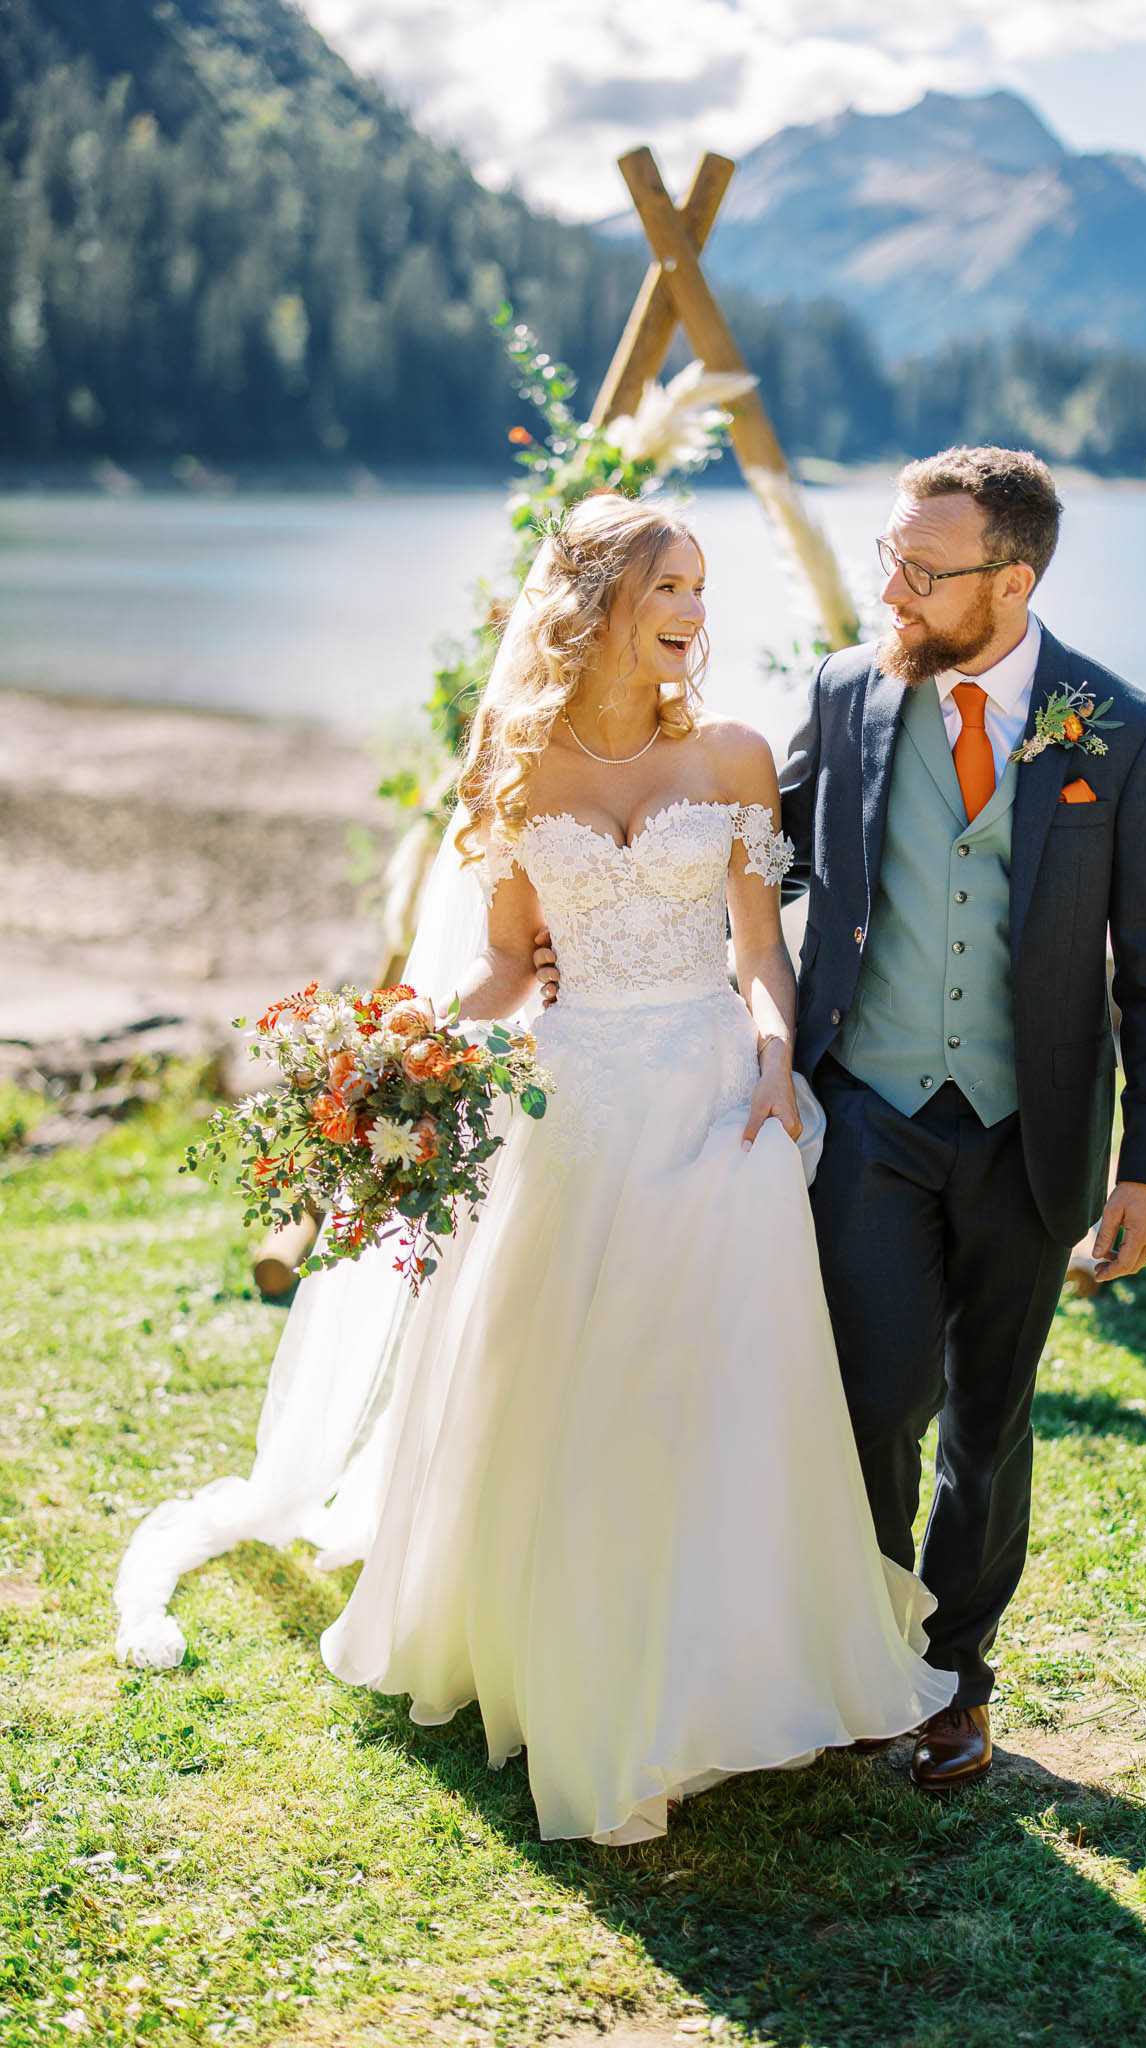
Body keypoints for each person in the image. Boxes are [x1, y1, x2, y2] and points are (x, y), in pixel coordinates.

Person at [114, 491, 955, 1846]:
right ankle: (563, 1653)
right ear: (600, 606)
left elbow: (757, 949)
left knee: (706, 1372)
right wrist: (410, 1044)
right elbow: (507, 963)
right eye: (667, 589)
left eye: (699, 590)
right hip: (566, 1102)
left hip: (709, 1093)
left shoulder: (734, 755)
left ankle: (728, 1656)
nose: (692, 614)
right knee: (568, 1373)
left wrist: (768, 1055)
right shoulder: (513, 766)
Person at [780, 446, 1146, 1790]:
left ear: (1007, 580)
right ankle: (863, 1653)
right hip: (869, 1111)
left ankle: (955, 1677)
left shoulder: (1120, 728)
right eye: (886, 558)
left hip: (1034, 1135)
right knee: (871, 1398)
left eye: (921, 568)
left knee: (988, 1419)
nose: (890, 587)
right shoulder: (847, 693)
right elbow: (761, 855)